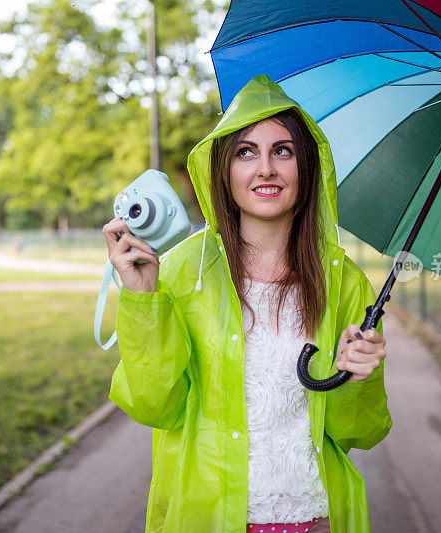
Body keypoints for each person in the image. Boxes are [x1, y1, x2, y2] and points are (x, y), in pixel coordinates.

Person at [103, 75, 391, 533]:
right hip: (208, 518)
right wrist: (141, 299)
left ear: (306, 167)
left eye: (283, 150)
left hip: (315, 518)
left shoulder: (343, 282)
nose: (265, 169)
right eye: (245, 152)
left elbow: (359, 432)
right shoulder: (181, 271)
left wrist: (358, 378)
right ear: (224, 170)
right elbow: (155, 406)